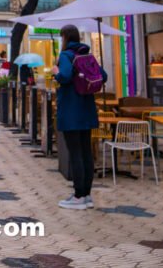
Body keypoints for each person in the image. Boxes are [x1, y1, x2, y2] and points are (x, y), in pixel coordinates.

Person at [52, 24, 108, 210]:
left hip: (71, 111)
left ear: (65, 38)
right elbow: (103, 76)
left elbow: (65, 76)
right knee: (86, 153)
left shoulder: (66, 55)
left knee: (75, 153)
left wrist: (56, 73)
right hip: (87, 110)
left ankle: (78, 197)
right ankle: (87, 196)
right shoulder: (87, 55)